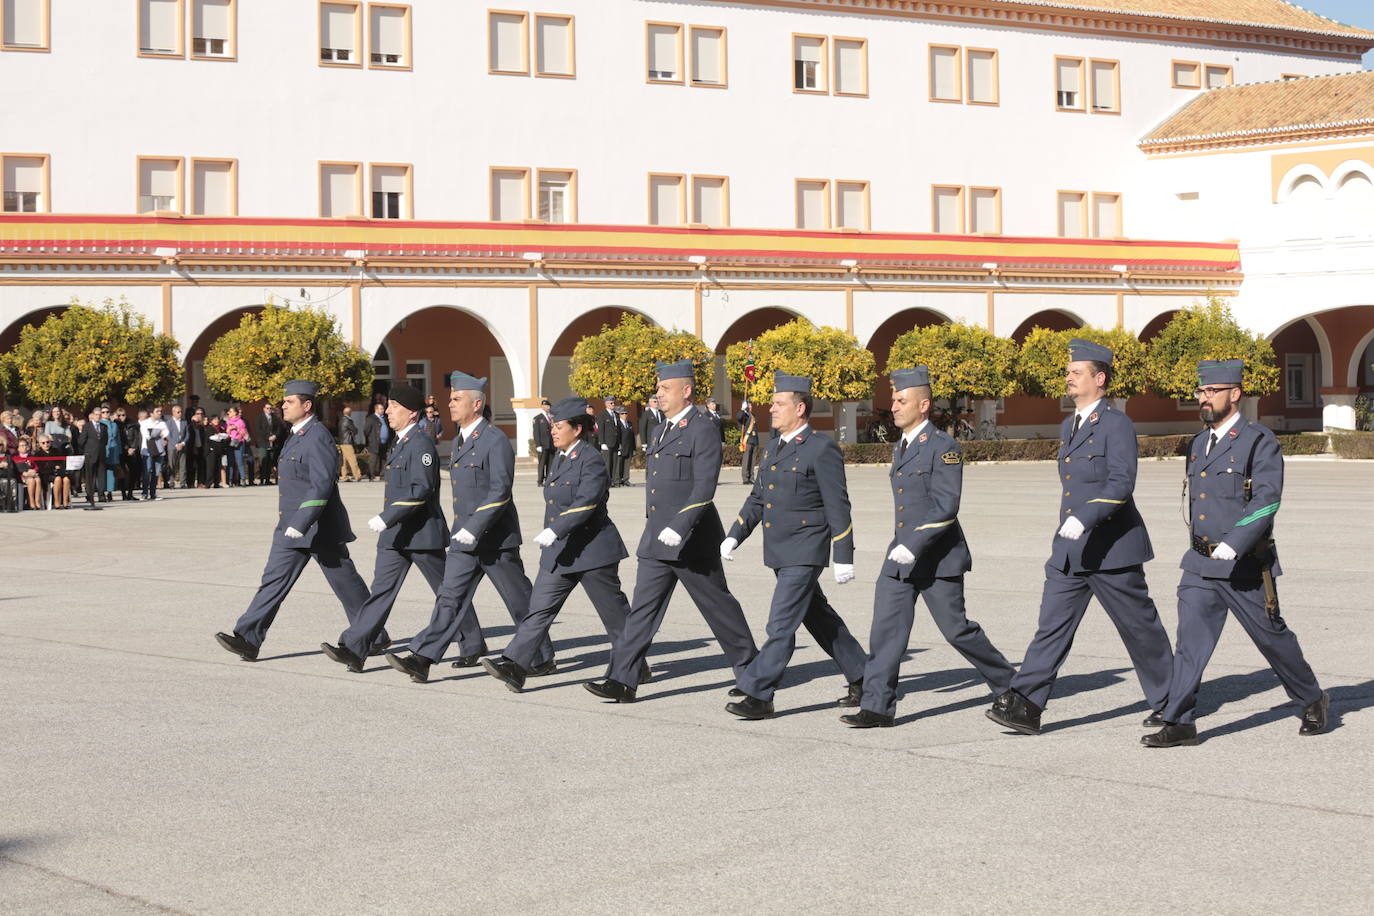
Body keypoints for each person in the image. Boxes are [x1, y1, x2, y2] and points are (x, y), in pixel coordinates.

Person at [986, 339, 1173, 736]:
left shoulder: (1116, 423)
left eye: (1077, 372)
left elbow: (1122, 481)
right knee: (1051, 626)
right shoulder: (1068, 424)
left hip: (1112, 550)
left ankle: (1172, 701)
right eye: (1069, 372)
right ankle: (1027, 703)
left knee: (1140, 631)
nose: (1068, 377)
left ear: (1099, 379)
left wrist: (1086, 517)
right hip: (1071, 550)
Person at [1143, 359, 1328, 747]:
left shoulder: (1258, 441)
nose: (1204, 399)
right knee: (1190, 643)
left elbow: (1266, 499)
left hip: (1243, 564)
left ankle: (1312, 697)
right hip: (1199, 563)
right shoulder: (1198, 443)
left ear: (1235, 394)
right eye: (1201, 392)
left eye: (1212, 392)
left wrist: (1235, 541)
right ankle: (1180, 721)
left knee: (1272, 638)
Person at [841, 367, 1014, 728]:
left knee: (957, 631)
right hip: (900, 554)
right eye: (893, 400)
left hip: (938, 557)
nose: (894, 406)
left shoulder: (944, 447)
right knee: (886, 630)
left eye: (901, 401)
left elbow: (946, 505)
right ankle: (877, 707)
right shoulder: (900, 446)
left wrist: (915, 543)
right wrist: (903, 546)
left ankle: (1010, 685)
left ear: (923, 404)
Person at [585, 360, 758, 703]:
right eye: (658, 388)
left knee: (718, 607)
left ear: (686, 390)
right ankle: (622, 679)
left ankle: (753, 673)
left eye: (665, 388)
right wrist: (657, 527)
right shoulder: (659, 428)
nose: (658, 394)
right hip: (656, 540)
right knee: (642, 612)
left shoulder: (702, 427)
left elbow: (704, 486)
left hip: (691, 539)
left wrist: (680, 527)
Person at [382, 372, 554, 683]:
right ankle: (422, 657)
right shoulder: (462, 440)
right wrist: (466, 529)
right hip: (464, 539)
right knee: (449, 598)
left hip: (495, 540)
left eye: (456, 399)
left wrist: (475, 527)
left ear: (476, 404)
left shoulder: (495, 440)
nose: (449, 404)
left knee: (519, 601)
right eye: (450, 399)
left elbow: (500, 490)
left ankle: (540, 657)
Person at [720, 373, 867, 720]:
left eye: (778, 403)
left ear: (799, 408)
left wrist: (843, 555)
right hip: (780, 550)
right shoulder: (773, 448)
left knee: (780, 623)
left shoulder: (821, 448)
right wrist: (734, 535)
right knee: (819, 617)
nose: (771, 409)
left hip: (805, 549)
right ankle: (865, 675)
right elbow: (758, 498)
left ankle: (759, 692)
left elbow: (838, 505)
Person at [215, 379, 386, 661]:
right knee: (273, 580)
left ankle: (374, 635)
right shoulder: (295, 434)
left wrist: (302, 521)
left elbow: (321, 484)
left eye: (289, 401)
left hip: (318, 527)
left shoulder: (317, 435)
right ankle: (248, 637)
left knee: (346, 585)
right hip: (291, 526)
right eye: (284, 401)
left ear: (306, 406)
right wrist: (292, 523)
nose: (283, 405)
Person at [479, 396, 634, 694]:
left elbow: (586, 502)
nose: (553, 430)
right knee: (538, 610)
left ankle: (634, 666)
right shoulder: (561, 458)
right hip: (560, 552)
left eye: (558, 426)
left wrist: (556, 529)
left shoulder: (590, 460)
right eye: (552, 425)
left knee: (615, 619)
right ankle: (516, 665)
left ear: (577, 429)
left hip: (592, 552)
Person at [321, 385, 449, 672]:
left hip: (421, 535)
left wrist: (388, 516)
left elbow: (422, 488)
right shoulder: (401, 441)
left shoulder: (421, 443)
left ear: (412, 413)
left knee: (448, 594)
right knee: (381, 592)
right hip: (395, 536)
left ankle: (473, 640)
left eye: (394, 407)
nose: (388, 411)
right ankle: (355, 648)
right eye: (388, 406)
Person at [77, 407, 107, 511]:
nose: (98, 416)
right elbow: (81, 441)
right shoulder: (87, 426)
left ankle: (101, 494)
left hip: (101, 454)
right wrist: (86, 451)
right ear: (93, 415)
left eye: (100, 414)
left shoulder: (104, 426)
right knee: (90, 476)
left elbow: (105, 440)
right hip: (90, 454)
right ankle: (90, 495)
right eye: (96, 414)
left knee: (101, 475)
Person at [139, 406, 169, 500]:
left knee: (156, 472)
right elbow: (147, 436)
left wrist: (156, 433)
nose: (160, 413)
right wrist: (158, 433)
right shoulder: (145, 423)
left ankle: (153, 493)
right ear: (151, 413)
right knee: (147, 471)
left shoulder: (162, 423)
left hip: (159, 450)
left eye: (160, 411)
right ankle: (144, 493)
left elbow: (166, 433)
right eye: (157, 411)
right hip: (147, 450)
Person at [35, 434, 70, 509]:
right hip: (46, 474)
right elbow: (41, 468)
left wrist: (59, 466)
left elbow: (62, 462)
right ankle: (57, 502)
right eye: (43, 443)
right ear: (40, 444)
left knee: (66, 479)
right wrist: (53, 466)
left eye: (48, 442)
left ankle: (65, 501)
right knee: (57, 479)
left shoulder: (56, 451)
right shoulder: (37, 454)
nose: (46, 444)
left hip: (58, 472)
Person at [256, 402, 286, 485]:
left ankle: (268, 479)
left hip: (273, 442)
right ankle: (262, 479)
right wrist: (267, 437)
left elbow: (278, 428)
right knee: (263, 460)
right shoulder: (260, 418)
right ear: (264, 409)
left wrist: (275, 436)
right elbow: (259, 430)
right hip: (263, 442)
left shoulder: (275, 418)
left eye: (270, 408)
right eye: (267, 408)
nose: (269, 410)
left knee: (270, 461)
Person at [117, 407, 141, 500]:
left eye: (123, 415)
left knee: (133, 472)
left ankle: (130, 493)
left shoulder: (132, 424)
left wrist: (133, 448)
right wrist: (126, 448)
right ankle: (123, 493)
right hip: (121, 451)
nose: (121, 417)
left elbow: (136, 437)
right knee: (121, 473)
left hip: (132, 451)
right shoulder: (116, 425)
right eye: (119, 415)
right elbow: (118, 439)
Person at [163, 405, 188, 490]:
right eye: (178, 412)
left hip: (182, 446)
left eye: (181, 412)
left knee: (182, 465)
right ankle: (171, 483)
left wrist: (183, 443)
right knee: (171, 465)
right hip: (172, 447)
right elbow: (168, 435)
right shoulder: (168, 422)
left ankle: (183, 483)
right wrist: (175, 444)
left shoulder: (184, 422)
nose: (180, 413)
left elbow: (187, 434)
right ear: (173, 413)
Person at [336, 405, 363, 482]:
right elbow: (355, 430)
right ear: (349, 413)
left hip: (342, 442)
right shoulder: (348, 421)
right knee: (352, 459)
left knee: (344, 460)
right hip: (347, 442)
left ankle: (344, 476)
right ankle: (357, 475)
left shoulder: (341, 420)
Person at [364, 401, 390, 480]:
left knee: (383, 459)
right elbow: (366, 430)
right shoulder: (371, 418)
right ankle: (371, 475)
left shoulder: (384, 418)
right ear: (376, 409)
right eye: (381, 409)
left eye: (383, 409)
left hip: (384, 443)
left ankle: (382, 474)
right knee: (373, 460)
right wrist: (370, 440)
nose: (383, 410)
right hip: (374, 442)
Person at [224, 406, 250, 486]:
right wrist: (229, 429)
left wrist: (236, 428)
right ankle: (230, 480)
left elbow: (244, 434)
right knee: (230, 462)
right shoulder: (228, 422)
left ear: (235, 413)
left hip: (238, 442)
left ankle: (243, 479)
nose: (229, 413)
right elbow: (226, 433)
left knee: (240, 461)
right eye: (229, 412)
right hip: (230, 442)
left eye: (231, 411)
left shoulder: (240, 421)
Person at [532, 398, 554, 486]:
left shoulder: (552, 417)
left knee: (550, 463)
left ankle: (548, 480)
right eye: (545, 405)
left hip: (551, 444)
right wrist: (538, 444)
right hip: (543, 444)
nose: (547, 407)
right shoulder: (537, 418)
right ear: (542, 407)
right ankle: (540, 481)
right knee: (542, 463)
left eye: (548, 405)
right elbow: (536, 432)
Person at [737, 400, 759, 484]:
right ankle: (745, 478)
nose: (750, 407)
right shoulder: (744, 416)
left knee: (753, 460)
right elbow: (739, 416)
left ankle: (751, 477)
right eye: (748, 405)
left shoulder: (753, 415)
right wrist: (742, 409)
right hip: (747, 440)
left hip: (754, 439)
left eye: (750, 405)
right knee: (746, 459)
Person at [15, 438, 41, 509]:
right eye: (22, 446)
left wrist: (34, 471)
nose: (24, 447)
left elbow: (36, 467)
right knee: (31, 481)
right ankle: (31, 502)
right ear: (18, 448)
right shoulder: (16, 458)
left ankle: (37, 501)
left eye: (25, 445)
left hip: (32, 474)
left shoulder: (31, 457)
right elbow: (16, 469)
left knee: (38, 480)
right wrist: (25, 473)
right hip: (22, 476)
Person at [613, 405, 635, 487]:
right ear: (619, 415)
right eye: (622, 413)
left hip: (629, 447)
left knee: (627, 464)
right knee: (619, 464)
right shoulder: (617, 424)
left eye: (626, 413)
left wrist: (634, 448)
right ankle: (618, 480)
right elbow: (617, 436)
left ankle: (626, 479)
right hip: (621, 447)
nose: (625, 415)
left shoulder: (629, 423)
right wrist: (618, 446)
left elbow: (632, 436)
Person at [599, 397, 619, 482]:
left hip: (616, 442)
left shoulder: (616, 414)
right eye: (611, 403)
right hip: (607, 442)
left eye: (613, 403)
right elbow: (601, 429)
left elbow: (617, 429)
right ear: (606, 404)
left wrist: (620, 442)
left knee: (615, 462)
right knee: (607, 463)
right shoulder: (602, 415)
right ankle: (607, 480)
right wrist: (602, 442)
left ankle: (614, 480)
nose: (613, 404)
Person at [184, 409, 206, 488]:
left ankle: (200, 482)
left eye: (197, 422)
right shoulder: (189, 428)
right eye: (194, 421)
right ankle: (190, 483)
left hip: (200, 448)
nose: (195, 423)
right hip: (191, 449)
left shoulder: (201, 428)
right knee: (190, 467)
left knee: (201, 466)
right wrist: (193, 448)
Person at [206, 416, 230, 487]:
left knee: (218, 466)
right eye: (214, 419)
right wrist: (217, 436)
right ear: (211, 421)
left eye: (217, 419)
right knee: (211, 467)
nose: (216, 421)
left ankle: (216, 482)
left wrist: (221, 436)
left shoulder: (220, 428)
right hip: (211, 450)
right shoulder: (209, 428)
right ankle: (209, 483)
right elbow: (209, 438)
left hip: (219, 450)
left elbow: (225, 436)